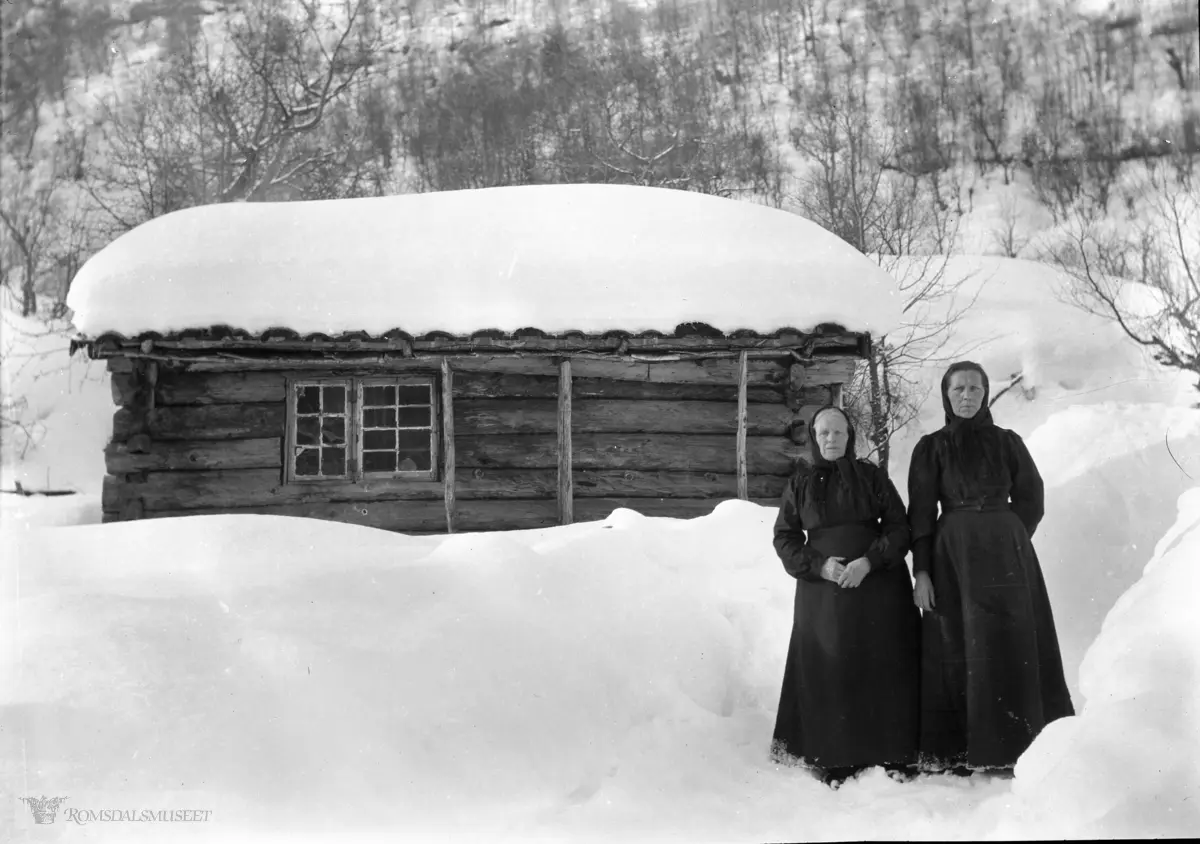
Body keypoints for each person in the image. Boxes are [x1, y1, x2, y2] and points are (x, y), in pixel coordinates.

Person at [908, 361, 1074, 777]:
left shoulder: (1008, 442)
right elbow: (922, 515)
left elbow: (1031, 497)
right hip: (953, 558)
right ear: (946, 395)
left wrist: (1013, 536)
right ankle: (963, 750)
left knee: (1011, 640)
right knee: (958, 644)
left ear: (985, 393)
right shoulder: (930, 448)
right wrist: (922, 571)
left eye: (975, 389)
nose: (967, 396)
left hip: (1007, 556)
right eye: (958, 389)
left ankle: (1022, 746)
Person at [771, 405, 920, 787]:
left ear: (850, 437)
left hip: (879, 586)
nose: (831, 440)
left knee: (884, 665)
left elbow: (900, 527)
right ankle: (835, 758)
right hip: (824, 594)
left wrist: (868, 562)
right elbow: (785, 537)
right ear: (814, 438)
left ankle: (895, 753)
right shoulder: (799, 484)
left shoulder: (871, 476)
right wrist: (820, 566)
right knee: (831, 669)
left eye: (839, 433)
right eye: (824, 433)